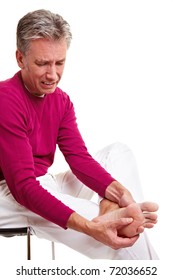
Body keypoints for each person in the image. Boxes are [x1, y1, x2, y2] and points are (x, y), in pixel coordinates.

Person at [0, 9, 159, 259]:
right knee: (110, 233)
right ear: (20, 59)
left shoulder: (61, 101)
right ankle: (137, 246)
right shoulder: (6, 99)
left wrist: (118, 197)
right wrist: (91, 227)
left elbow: (79, 159)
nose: (52, 75)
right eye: (42, 63)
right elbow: (22, 187)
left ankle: (122, 215)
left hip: (43, 181)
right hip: (8, 193)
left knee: (117, 153)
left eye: (59, 62)